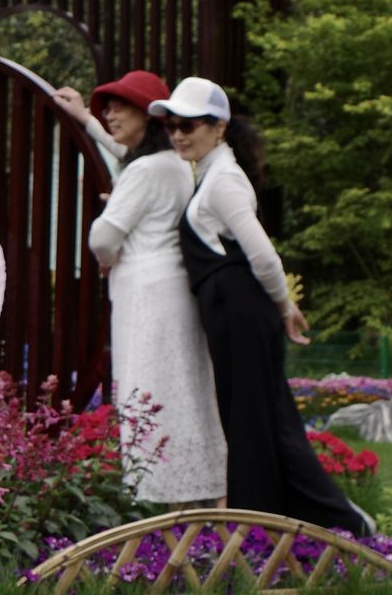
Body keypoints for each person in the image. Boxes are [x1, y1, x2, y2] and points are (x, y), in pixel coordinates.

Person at [159, 77, 371, 535]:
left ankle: (301, 525)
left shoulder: (225, 182)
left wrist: (283, 307)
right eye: (172, 125)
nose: (178, 134)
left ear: (219, 128)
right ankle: (289, 524)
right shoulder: (211, 175)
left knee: (256, 421)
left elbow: (264, 256)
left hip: (241, 309)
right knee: (260, 418)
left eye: (190, 124)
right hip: (232, 310)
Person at [85, 75, 226, 505]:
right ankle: (200, 487)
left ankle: (157, 494)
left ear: (148, 116)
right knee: (182, 386)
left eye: (120, 107)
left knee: (147, 386)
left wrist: (107, 257)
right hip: (175, 289)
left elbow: (102, 237)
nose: (109, 114)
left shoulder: (144, 170)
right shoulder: (177, 165)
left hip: (146, 294)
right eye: (105, 107)